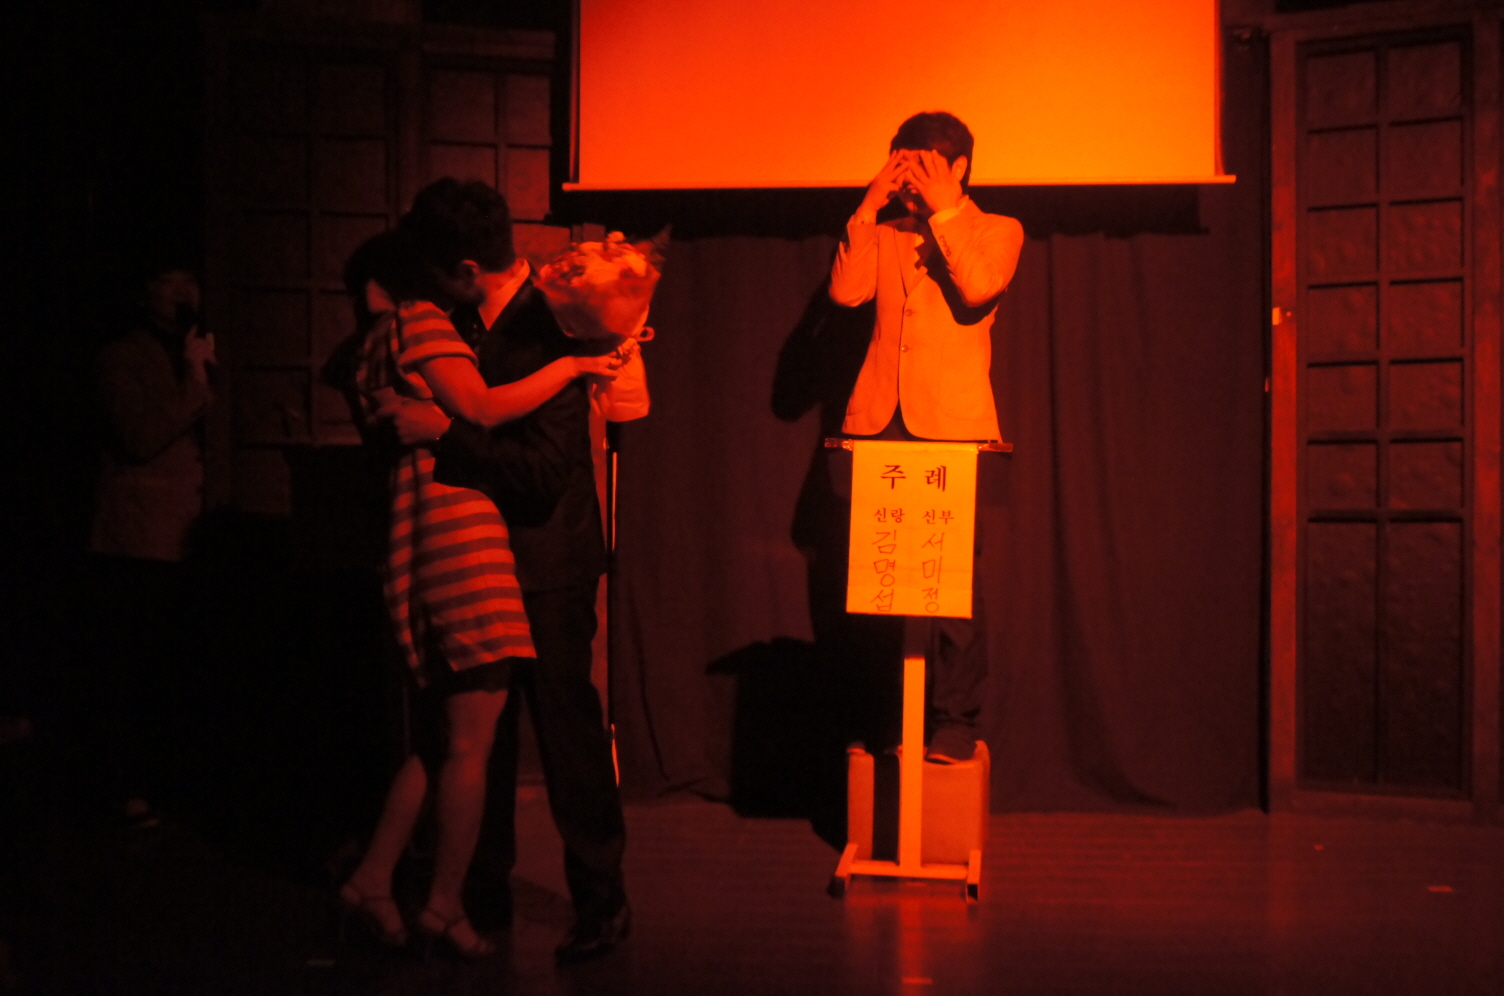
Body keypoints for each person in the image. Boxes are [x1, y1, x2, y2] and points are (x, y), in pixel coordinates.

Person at [338, 222, 622, 960]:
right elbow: (465, 410)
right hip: (470, 551)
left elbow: (540, 472)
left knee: (557, 732)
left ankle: (597, 900)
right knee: (472, 740)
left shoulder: (556, 321)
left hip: (546, 557)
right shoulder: (437, 324)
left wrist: (445, 428)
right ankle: (467, 892)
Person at [828, 111, 1025, 764]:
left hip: (951, 430)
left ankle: (953, 723)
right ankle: (889, 718)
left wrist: (944, 214)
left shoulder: (997, 229)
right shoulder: (884, 231)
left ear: (959, 167)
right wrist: (868, 206)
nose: (908, 181)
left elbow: (978, 287)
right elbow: (846, 293)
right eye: (900, 167)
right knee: (881, 581)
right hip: (880, 424)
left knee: (951, 585)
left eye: (922, 167)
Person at [88, 261, 216, 828]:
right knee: (135, 672)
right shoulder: (120, 356)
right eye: (167, 280)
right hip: (139, 538)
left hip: (195, 535)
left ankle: (177, 787)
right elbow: (139, 436)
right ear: (143, 294)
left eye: (190, 280)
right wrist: (193, 381)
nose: (182, 292)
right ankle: (126, 790)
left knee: (181, 672)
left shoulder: (201, 349)